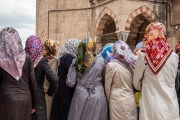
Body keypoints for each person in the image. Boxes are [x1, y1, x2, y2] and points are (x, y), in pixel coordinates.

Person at [133, 22, 179, 120]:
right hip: (170, 107)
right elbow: (172, 80)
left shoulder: (143, 56)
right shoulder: (174, 57)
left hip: (150, 108)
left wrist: (146, 83)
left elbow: (136, 83)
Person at [0, 27, 38, 120]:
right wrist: (34, 104)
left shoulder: (1, 59)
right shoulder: (26, 58)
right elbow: (32, 82)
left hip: (5, 101)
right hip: (25, 100)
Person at [66, 38, 108, 120]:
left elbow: (70, 83)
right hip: (97, 94)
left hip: (80, 94)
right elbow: (104, 79)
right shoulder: (102, 62)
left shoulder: (76, 62)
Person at [25, 35, 58, 120]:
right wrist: (50, 92)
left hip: (26, 97)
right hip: (39, 98)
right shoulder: (42, 61)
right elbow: (54, 79)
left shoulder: (23, 60)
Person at [105, 40, 137, 120]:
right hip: (130, 100)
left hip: (117, 101)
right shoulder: (130, 65)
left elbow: (107, 88)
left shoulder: (111, 65)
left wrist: (109, 100)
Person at [50, 38, 81, 120]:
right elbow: (72, 74)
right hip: (66, 93)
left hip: (63, 91)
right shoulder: (68, 58)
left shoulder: (65, 57)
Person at [42, 39, 59, 120]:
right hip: (47, 92)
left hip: (39, 90)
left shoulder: (40, 59)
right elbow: (53, 77)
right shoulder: (54, 60)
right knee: (47, 114)